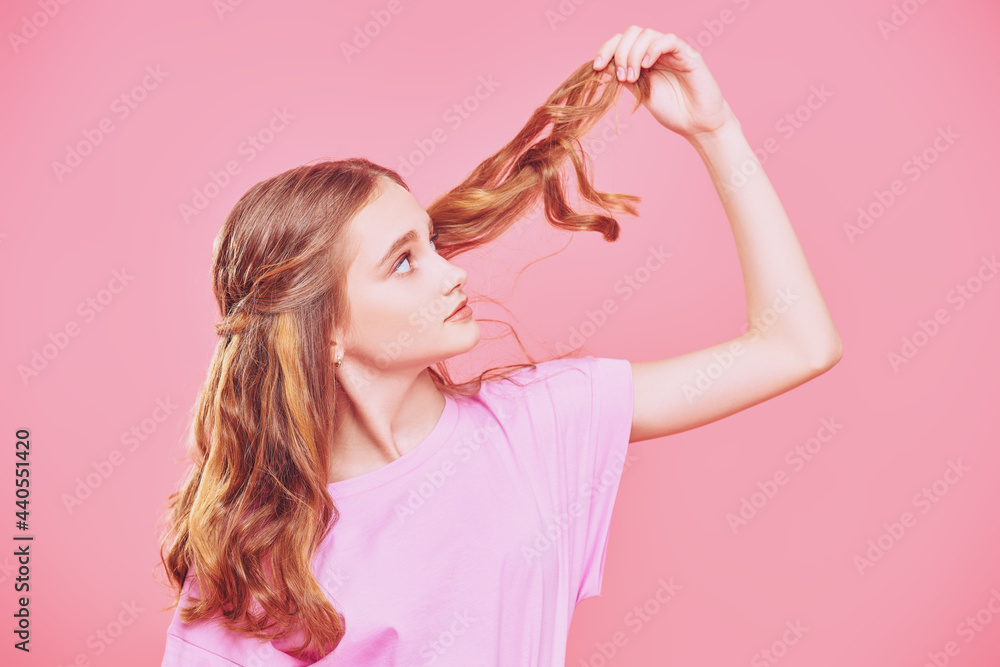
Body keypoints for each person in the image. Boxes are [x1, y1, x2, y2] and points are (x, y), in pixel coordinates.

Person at [157, 25, 842, 666]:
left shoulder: (539, 422)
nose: (451, 271)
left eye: (429, 242)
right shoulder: (260, 549)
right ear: (326, 330)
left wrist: (716, 132)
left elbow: (796, 343)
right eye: (403, 261)